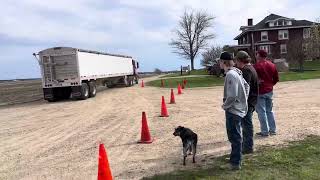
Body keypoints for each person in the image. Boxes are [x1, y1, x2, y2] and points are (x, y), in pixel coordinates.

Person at [220, 51, 249, 170]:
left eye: (220, 61)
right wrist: (243, 99)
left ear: (224, 62)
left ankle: (235, 163)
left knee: (235, 137)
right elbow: (247, 86)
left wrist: (225, 106)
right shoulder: (237, 72)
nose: (219, 63)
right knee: (235, 136)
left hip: (233, 111)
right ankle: (234, 158)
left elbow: (232, 95)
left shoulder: (231, 74)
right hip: (238, 109)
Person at [235, 51, 259, 154]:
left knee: (247, 125)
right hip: (252, 101)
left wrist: (239, 101)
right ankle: (247, 145)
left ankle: (248, 147)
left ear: (240, 60)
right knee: (246, 125)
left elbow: (246, 88)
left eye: (236, 61)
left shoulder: (246, 70)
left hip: (247, 103)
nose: (236, 63)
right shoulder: (251, 67)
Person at [254, 50, 279, 137]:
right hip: (269, 90)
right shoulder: (272, 65)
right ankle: (272, 130)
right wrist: (271, 84)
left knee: (261, 112)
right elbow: (276, 78)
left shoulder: (256, 66)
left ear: (259, 55)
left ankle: (264, 131)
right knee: (269, 110)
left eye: (257, 54)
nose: (256, 55)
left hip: (260, 91)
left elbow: (253, 79)